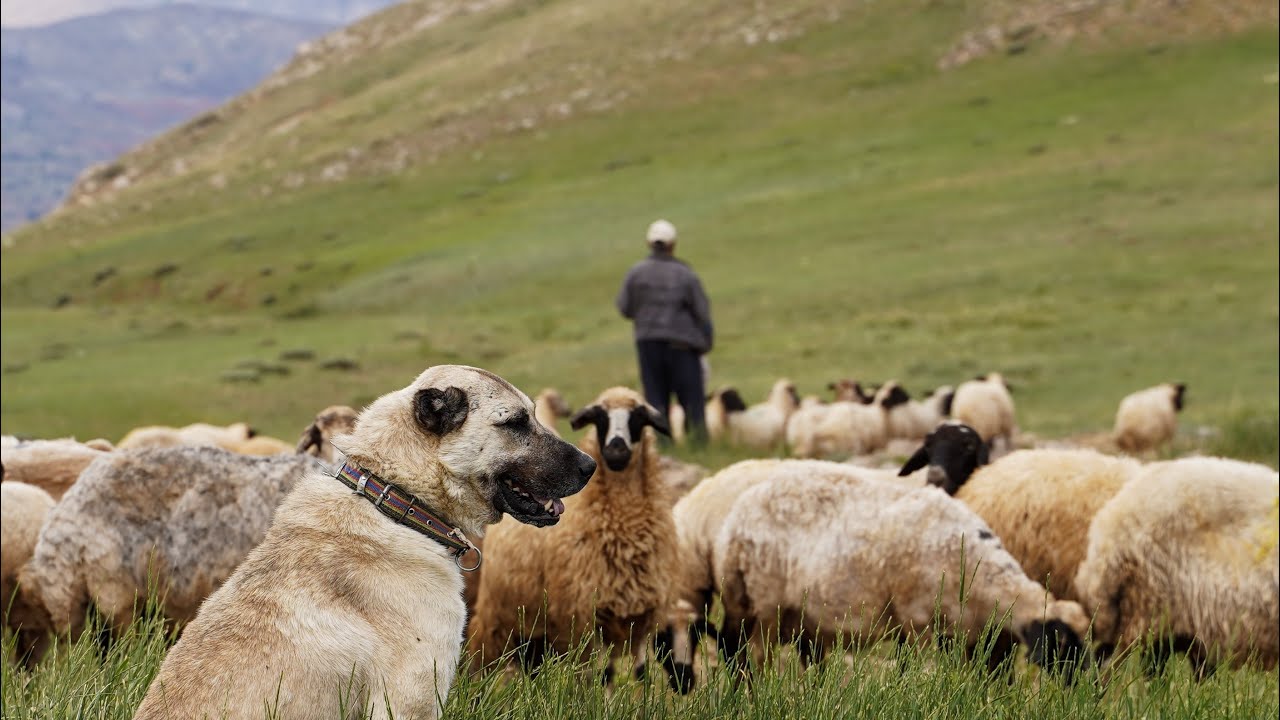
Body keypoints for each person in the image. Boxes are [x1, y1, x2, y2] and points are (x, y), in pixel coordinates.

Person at [615, 219, 713, 444]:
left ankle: (664, 447)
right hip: (683, 346)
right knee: (691, 401)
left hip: (648, 344)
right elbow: (702, 311)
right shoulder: (684, 274)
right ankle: (698, 445)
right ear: (673, 244)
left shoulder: (636, 273)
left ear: (649, 243)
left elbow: (625, 308)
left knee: (656, 398)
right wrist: (706, 341)